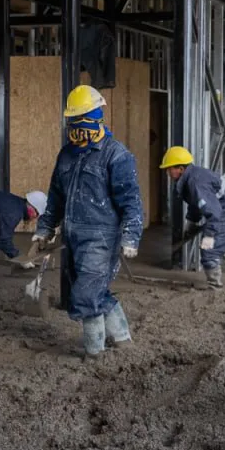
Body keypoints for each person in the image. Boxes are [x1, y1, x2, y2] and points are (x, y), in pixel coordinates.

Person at [34, 85, 144, 358]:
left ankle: (94, 352)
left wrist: (131, 235)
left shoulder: (116, 155)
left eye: (81, 120)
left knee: (85, 294)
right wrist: (45, 228)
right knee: (88, 289)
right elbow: (56, 197)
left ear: (96, 118)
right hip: (73, 236)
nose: (76, 129)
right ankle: (122, 338)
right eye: (72, 122)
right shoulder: (66, 155)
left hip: (102, 237)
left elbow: (131, 200)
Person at [159, 146, 225, 289]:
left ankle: (215, 288)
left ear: (180, 168)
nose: (167, 172)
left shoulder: (195, 182)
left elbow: (214, 212)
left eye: (169, 169)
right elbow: (196, 203)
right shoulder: (191, 178)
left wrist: (209, 235)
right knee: (220, 244)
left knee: (209, 249)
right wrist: (191, 223)